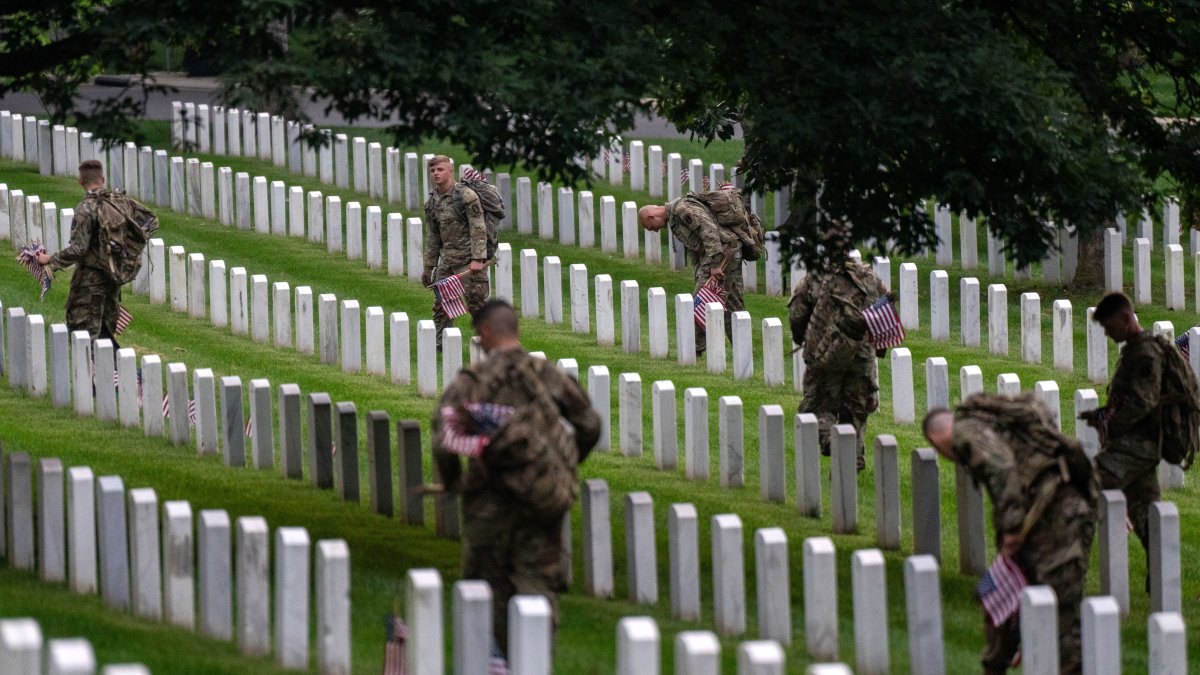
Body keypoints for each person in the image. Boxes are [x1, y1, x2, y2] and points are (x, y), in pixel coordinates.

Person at [432, 300, 600, 659]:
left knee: (486, 591)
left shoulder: (472, 383)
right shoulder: (547, 375)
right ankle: (535, 661)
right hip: (540, 500)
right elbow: (589, 424)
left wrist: (453, 482)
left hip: (488, 502)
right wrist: (562, 464)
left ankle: (494, 662)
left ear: (487, 333)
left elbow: (443, 439)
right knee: (538, 584)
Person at [924, 394, 1098, 675]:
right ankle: (997, 663)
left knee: (1062, 609)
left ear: (936, 438)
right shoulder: (992, 423)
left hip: (1056, 513)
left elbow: (1001, 467)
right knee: (1010, 590)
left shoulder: (965, 432)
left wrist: (1012, 529)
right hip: (1052, 508)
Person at [788, 246, 889, 469]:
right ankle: (854, 455)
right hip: (860, 356)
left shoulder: (814, 279)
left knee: (816, 408)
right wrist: (877, 347)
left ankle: (831, 442)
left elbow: (797, 315)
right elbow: (885, 313)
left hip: (825, 356)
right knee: (856, 409)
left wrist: (802, 339)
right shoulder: (870, 279)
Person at [1082, 292, 1165, 564]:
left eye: (1109, 326)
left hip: (1136, 447)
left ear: (1126, 318)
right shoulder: (1134, 350)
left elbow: (1143, 402)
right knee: (1147, 516)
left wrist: (1109, 420)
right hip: (1137, 447)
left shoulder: (1145, 354)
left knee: (1084, 488)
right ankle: (1165, 577)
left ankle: (1067, 566)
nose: (1106, 333)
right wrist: (1103, 415)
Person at [638, 190, 749, 354]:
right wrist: (699, 273)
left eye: (650, 228)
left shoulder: (682, 209)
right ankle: (744, 351)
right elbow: (695, 248)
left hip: (723, 256)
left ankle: (694, 351)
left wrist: (715, 264)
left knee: (700, 304)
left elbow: (708, 230)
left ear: (651, 217)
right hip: (726, 254)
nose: (653, 231)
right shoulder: (674, 219)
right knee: (732, 304)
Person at [36, 160, 124, 346]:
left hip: (90, 282)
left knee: (87, 335)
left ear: (80, 181)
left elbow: (78, 249)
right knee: (105, 332)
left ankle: (127, 374)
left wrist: (50, 259)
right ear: (103, 179)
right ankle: (120, 374)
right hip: (113, 278)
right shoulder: (118, 204)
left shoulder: (86, 208)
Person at [422, 155, 490, 350]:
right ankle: (442, 345)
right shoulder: (433, 201)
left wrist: (478, 258)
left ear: (450, 171)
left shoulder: (466, 196)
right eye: (433, 170)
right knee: (442, 305)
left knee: (476, 305)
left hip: (468, 260)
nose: (436, 173)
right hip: (448, 261)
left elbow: (478, 227)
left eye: (440, 169)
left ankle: (494, 343)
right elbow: (434, 236)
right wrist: (429, 266)